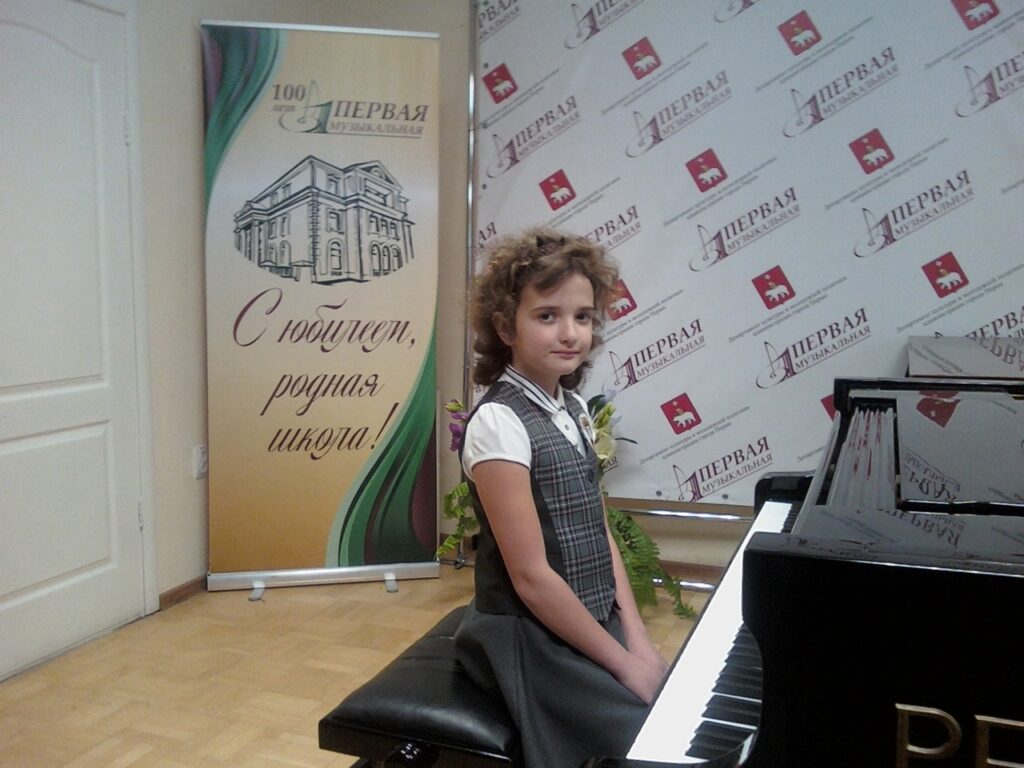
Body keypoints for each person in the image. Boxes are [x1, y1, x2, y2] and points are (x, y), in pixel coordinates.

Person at [454, 226, 668, 768]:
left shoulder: (571, 409)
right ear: (506, 326)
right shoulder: (500, 423)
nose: (571, 333)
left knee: (663, 694)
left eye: (583, 317)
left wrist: (637, 640)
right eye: (547, 316)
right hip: (526, 635)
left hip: (582, 616)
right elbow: (531, 579)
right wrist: (623, 665)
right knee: (645, 734)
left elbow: (598, 529)